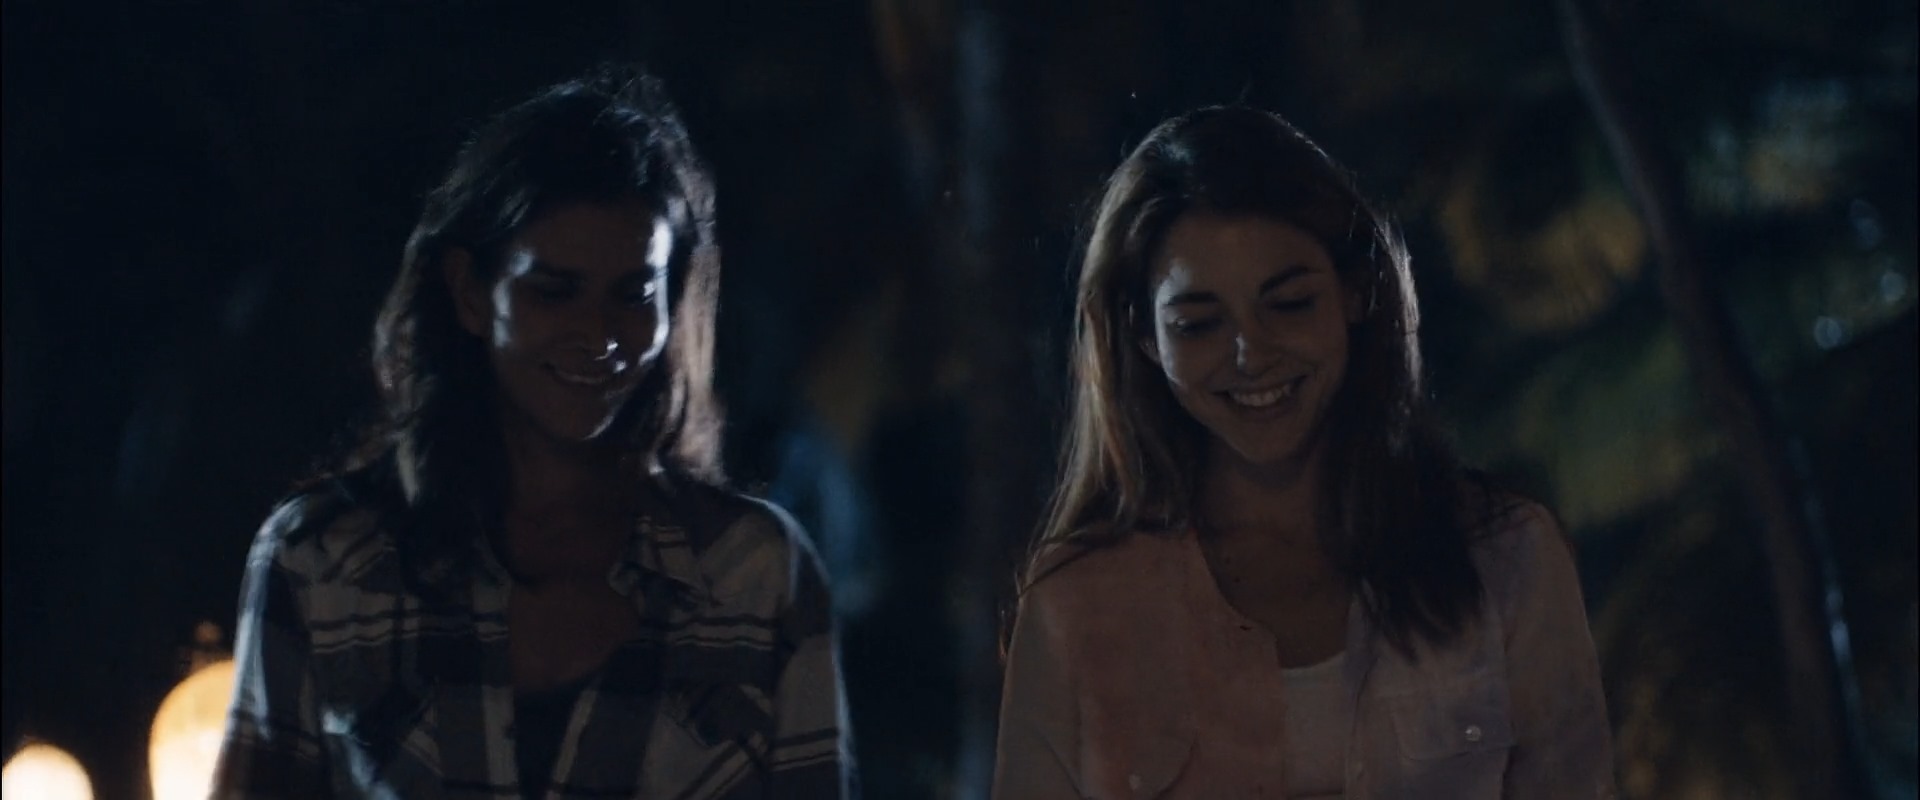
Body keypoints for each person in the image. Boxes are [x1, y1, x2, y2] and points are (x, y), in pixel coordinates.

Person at [213, 67, 855, 799]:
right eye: (554, 291)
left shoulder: (755, 576)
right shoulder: (324, 562)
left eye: (633, 295)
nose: (599, 334)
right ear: (469, 292)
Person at [992, 106, 1616, 799]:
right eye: (1198, 324)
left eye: (1289, 304)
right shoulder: (1079, 605)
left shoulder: (1504, 559)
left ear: (1355, 293)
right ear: (1146, 338)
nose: (1250, 353)